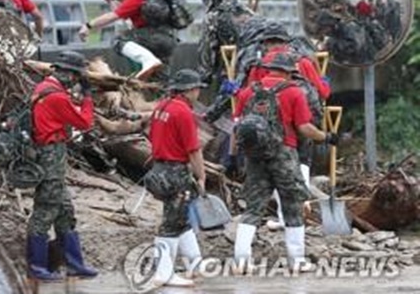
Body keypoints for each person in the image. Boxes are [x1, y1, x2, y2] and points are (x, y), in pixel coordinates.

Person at [231, 53, 338, 273]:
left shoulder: (247, 92)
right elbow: (304, 129)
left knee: (253, 208)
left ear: (269, 69)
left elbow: (237, 126)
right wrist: (326, 137)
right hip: (284, 155)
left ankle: (241, 260)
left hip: (255, 158)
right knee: (292, 206)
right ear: (290, 72)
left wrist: (235, 155)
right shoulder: (293, 92)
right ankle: (296, 261)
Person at [243, 22, 330, 230]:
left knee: (273, 166)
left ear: (266, 43)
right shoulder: (303, 61)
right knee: (303, 160)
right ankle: (303, 205)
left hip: (270, 129)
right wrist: (324, 83)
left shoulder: (259, 64)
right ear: (286, 41)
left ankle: (283, 216)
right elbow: (324, 93)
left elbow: (248, 95)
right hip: (305, 120)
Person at [27, 51, 97, 281]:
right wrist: (87, 96)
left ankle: (75, 264)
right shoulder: (56, 96)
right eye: (75, 76)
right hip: (51, 156)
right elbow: (85, 122)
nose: (75, 80)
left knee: (65, 210)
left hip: (48, 154)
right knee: (46, 209)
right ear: (66, 73)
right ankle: (36, 267)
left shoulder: (42, 89)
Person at [143, 69, 207, 287]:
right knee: (171, 224)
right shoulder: (183, 112)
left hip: (158, 169)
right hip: (175, 172)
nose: (198, 92)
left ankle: (195, 264)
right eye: (197, 88)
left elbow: (151, 135)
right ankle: (163, 273)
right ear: (188, 90)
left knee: (180, 217)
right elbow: (194, 150)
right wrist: (201, 176)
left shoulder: (161, 107)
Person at [77, 0, 167, 80]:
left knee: (119, 40)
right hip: (164, 38)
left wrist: (88, 25)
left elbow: (113, 16)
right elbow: (128, 5)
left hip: (151, 37)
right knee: (158, 78)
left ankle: (149, 60)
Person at [197, 0, 254, 84]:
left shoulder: (213, 16)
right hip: (247, 63)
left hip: (226, 64)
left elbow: (206, 47)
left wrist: (206, 72)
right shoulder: (245, 11)